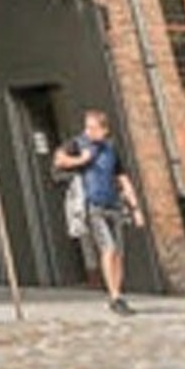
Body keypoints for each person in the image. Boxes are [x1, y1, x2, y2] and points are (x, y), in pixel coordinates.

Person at [52, 108, 145, 314]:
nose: (89, 131)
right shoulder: (78, 143)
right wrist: (81, 160)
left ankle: (118, 294)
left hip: (114, 205)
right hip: (93, 205)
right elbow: (58, 160)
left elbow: (123, 178)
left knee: (118, 254)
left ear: (104, 130)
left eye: (94, 128)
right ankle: (114, 296)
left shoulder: (111, 149)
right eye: (87, 127)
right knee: (108, 248)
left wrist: (136, 208)